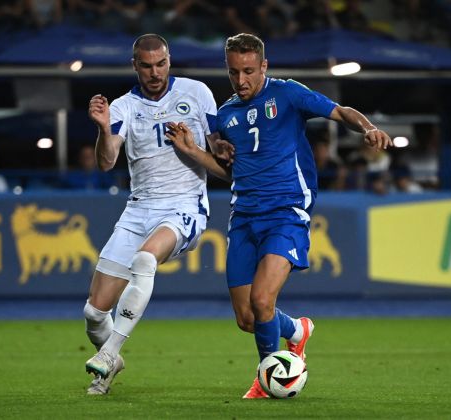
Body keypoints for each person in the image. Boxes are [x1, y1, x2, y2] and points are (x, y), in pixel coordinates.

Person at [165, 33, 393, 399]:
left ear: (264, 67)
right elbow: (230, 173)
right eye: (234, 72)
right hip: (244, 218)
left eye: (249, 71)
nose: (242, 81)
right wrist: (192, 150)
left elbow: (340, 111)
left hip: (286, 212)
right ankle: (297, 330)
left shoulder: (288, 94)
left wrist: (368, 128)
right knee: (247, 319)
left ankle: (267, 376)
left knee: (261, 300)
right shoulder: (226, 114)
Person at [82, 33, 219, 396]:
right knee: (94, 315)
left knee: (145, 259)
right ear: (135, 66)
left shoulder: (197, 93)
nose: (155, 72)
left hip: (183, 205)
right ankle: (110, 361)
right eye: (147, 66)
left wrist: (194, 148)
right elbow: (107, 160)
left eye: (161, 64)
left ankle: (110, 354)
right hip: (137, 208)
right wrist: (101, 128)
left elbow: (223, 157)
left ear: (169, 61)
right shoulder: (124, 106)